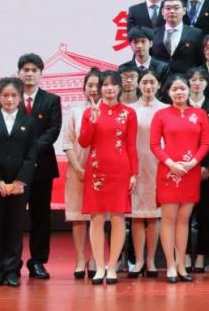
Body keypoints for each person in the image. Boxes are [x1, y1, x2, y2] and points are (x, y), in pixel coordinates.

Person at [78, 70, 138, 285]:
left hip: (121, 170)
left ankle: (112, 266)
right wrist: (92, 121)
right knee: (96, 218)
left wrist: (134, 173)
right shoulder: (90, 112)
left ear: (119, 88)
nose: (109, 89)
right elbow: (83, 142)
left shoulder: (129, 113)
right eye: (105, 85)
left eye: (113, 85)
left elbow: (131, 145)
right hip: (96, 169)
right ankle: (99, 266)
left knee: (118, 217)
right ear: (99, 88)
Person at [150, 74, 209, 283]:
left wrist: (192, 163)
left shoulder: (199, 114)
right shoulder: (161, 114)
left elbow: (205, 143)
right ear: (168, 92)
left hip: (190, 171)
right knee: (168, 219)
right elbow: (154, 145)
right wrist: (171, 164)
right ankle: (170, 264)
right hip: (169, 171)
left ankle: (181, 264)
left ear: (189, 90)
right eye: (174, 89)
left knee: (184, 219)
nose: (179, 92)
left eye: (182, 88)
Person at [0, 77, 39, 287]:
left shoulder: (29, 122)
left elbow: (31, 155)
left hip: (19, 185)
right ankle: (0, 270)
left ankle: (13, 270)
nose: (9, 99)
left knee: (15, 226)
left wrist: (20, 181)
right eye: (5, 95)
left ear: (20, 98)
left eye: (14, 95)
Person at [16, 53, 62, 280]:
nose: (30, 74)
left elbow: (52, 131)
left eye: (34, 70)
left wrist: (30, 151)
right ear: (19, 73)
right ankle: (11, 262)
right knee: (13, 216)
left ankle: (38, 261)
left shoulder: (51, 100)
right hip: (13, 168)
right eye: (25, 70)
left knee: (41, 216)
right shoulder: (10, 97)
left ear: (41, 74)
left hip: (41, 167)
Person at [62, 69, 100, 280]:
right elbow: (68, 142)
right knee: (78, 216)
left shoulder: (108, 110)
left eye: (97, 85)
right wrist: (77, 168)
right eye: (89, 85)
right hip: (77, 168)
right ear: (84, 87)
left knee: (97, 217)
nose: (93, 89)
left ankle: (94, 258)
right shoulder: (75, 111)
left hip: (101, 170)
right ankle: (79, 258)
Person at [129, 70, 167, 278]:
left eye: (152, 82)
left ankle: (151, 260)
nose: (148, 86)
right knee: (136, 214)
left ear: (158, 85)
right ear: (138, 84)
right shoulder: (129, 109)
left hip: (158, 165)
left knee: (154, 214)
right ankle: (138, 260)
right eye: (144, 82)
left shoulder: (166, 109)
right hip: (135, 166)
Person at [186, 67, 209, 272]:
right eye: (193, 79)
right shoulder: (182, 104)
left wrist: (207, 164)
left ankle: (201, 256)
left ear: (206, 84)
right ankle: (184, 255)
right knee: (184, 214)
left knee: (204, 213)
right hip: (183, 167)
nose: (197, 83)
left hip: (205, 169)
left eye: (200, 80)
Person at [151, 0, 204, 74]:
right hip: (160, 78)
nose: (172, 11)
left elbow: (201, 60)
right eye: (168, 8)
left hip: (186, 78)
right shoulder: (153, 33)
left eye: (176, 8)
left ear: (184, 11)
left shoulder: (196, 33)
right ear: (162, 12)